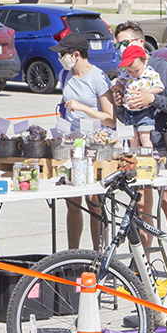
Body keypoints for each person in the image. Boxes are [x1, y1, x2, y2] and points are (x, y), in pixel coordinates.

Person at [113, 21, 167, 245]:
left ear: (140, 42)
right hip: (138, 147)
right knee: (143, 206)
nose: (121, 48)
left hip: (163, 144)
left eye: (124, 43)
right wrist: (120, 103)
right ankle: (143, 268)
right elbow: (124, 117)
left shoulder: (161, 67)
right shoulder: (125, 70)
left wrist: (152, 98)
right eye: (117, 45)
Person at [50, 33, 116, 250]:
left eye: (63, 54)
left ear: (76, 55)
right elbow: (64, 103)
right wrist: (60, 119)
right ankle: (72, 253)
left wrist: (84, 108)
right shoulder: (65, 74)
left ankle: (98, 255)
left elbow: (110, 118)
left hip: (95, 146)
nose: (61, 58)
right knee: (72, 202)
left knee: (95, 203)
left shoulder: (98, 78)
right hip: (72, 143)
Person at [111, 44, 164, 151]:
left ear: (144, 62)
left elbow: (160, 87)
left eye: (136, 71)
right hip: (129, 111)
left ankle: (148, 157)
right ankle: (134, 157)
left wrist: (148, 92)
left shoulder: (150, 73)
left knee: (144, 137)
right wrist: (117, 87)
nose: (133, 74)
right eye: (130, 71)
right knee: (132, 138)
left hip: (144, 111)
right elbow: (120, 81)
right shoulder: (126, 73)